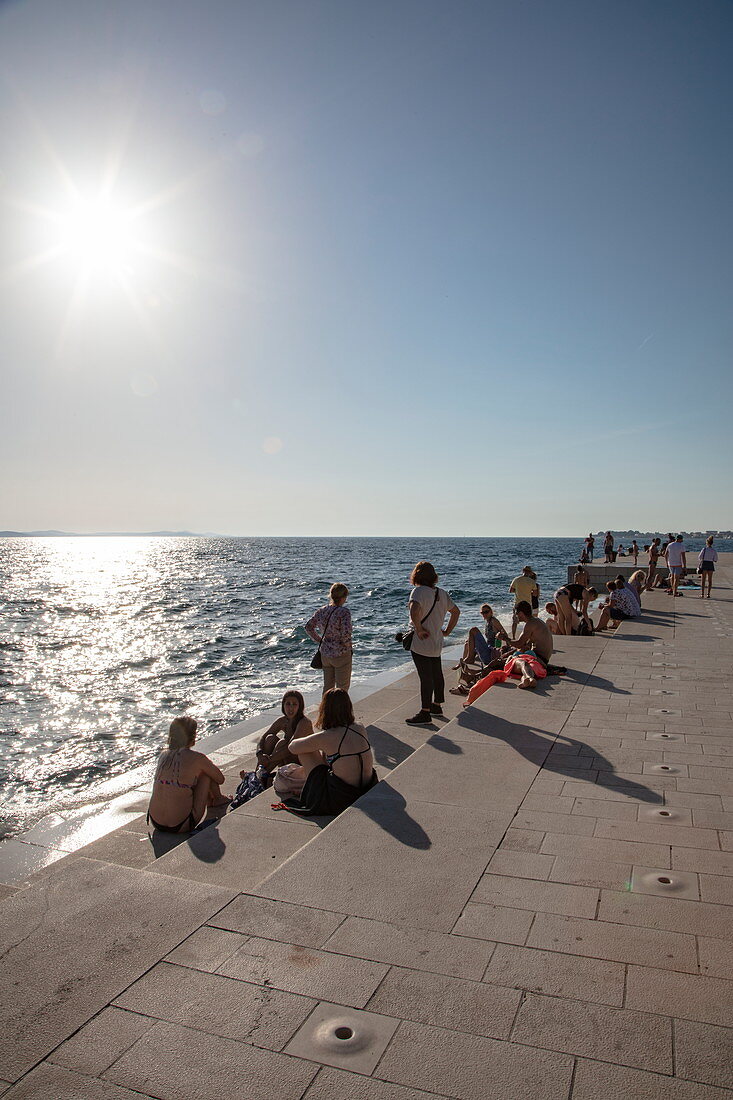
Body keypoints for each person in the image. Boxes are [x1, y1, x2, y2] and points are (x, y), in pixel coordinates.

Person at [273, 688, 377, 816]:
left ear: (326, 710)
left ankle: (308, 789)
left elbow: (292, 747)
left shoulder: (328, 736)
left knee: (306, 751)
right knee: (328, 753)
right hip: (367, 786)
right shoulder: (360, 727)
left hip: (343, 797)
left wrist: (314, 741)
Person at [147, 716, 228, 833]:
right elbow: (220, 779)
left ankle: (214, 799)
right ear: (192, 736)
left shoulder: (163, 755)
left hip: (156, 822)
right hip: (181, 824)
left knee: (183, 782)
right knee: (205, 775)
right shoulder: (197, 758)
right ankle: (218, 799)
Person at [405, 560, 460, 725]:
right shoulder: (442, 593)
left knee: (425, 677)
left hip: (422, 641)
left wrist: (419, 628)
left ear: (417, 575)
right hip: (437, 640)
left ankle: (425, 712)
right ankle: (437, 705)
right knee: (437, 673)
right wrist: (448, 631)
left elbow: (414, 610)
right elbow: (456, 612)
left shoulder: (418, 591)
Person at [305, 582, 353, 694]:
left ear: (331, 596)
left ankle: (326, 709)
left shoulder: (322, 610)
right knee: (342, 688)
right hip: (341, 653)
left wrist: (319, 640)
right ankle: (340, 710)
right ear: (344, 597)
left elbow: (308, 627)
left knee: (328, 688)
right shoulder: (344, 612)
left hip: (325, 654)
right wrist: (348, 647)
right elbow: (346, 633)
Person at [454, 604, 509, 670]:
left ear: (491, 612)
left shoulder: (494, 621)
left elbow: (505, 634)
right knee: (467, 644)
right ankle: (464, 664)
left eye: (486, 612)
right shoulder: (487, 622)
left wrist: (507, 649)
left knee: (473, 630)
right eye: (482, 613)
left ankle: (469, 659)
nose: (484, 614)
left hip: (491, 653)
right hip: (487, 649)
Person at [510, 601, 553, 665]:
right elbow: (524, 645)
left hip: (541, 659)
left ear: (521, 613)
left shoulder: (530, 624)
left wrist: (505, 638)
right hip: (543, 657)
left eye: (516, 613)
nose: (516, 616)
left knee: (510, 660)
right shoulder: (535, 621)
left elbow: (519, 644)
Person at [509, 566, 539, 638]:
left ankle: (513, 636)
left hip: (518, 603)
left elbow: (511, 590)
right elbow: (535, 594)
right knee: (528, 621)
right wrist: (529, 591)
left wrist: (519, 591)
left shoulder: (516, 579)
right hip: (527, 604)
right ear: (530, 573)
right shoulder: (532, 582)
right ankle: (528, 636)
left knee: (515, 621)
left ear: (522, 571)